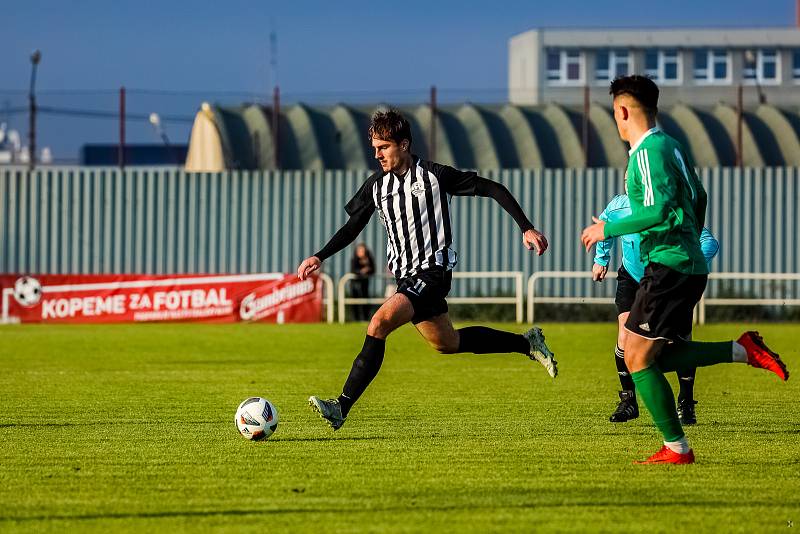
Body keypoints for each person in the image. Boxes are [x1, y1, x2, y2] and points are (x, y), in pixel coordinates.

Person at [297, 109, 557, 431]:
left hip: (433, 272)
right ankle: (527, 344)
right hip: (406, 277)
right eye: (374, 148)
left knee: (378, 323)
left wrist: (526, 227)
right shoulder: (376, 187)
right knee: (447, 343)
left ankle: (341, 406)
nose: (377, 154)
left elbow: (492, 188)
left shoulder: (435, 175)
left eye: (384, 147)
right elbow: (352, 227)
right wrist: (320, 256)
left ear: (403, 144)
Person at [581, 75, 788, 465]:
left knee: (636, 359)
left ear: (623, 111)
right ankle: (743, 350)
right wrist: (689, 237)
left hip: (668, 267)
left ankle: (677, 448)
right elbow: (699, 196)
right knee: (651, 355)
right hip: (685, 265)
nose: (616, 121)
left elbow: (657, 210)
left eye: (615, 114)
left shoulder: (645, 152)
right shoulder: (672, 145)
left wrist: (604, 228)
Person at [592, 192, 719, 424]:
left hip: (669, 282)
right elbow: (603, 225)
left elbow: (709, 241)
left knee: (680, 341)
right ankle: (628, 401)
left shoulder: (671, 208)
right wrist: (601, 259)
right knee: (624, 335)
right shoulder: (619, 206)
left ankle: (686, 402)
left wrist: (687, 261)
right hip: (632, 278)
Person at [349, 243, 376, 321]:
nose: (361, 252)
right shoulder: (354, 259)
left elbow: (373, 269)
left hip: (365, 283)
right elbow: (353, 270)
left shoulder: (369, 259)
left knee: (365, 300)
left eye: (362, 250)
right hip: (355, 284)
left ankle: (365, 318)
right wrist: (361, 271)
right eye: (359, 250)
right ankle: (355, 318)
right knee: (355, 301)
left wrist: (368, 270)